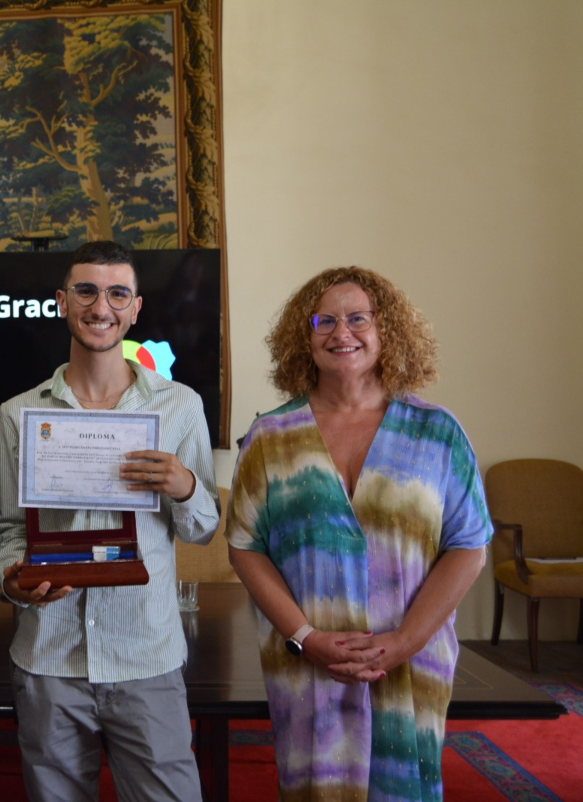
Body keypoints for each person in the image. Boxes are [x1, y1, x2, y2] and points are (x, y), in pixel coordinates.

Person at [226, 266, 491, 800]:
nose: (340, 332)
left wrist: (403, 643)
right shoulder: (270, 437)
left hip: (410, 666)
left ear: (386, 330)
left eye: (358, 318)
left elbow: (469, 547)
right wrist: (307, 639)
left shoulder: (437, 432)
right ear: (305, 337)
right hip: (308, 667)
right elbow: (245, 547)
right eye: (325, 320)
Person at [0, 240, 219, 802]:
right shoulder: (19, 413)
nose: (102, 307)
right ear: (62, 302)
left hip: (145, 653)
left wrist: (184, 486)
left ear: (136, 307)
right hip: (49, 655)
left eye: (118, 293)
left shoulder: (181, 406)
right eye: (87, 291)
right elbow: (10, 531)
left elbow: (204, 527)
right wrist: (13, 581)